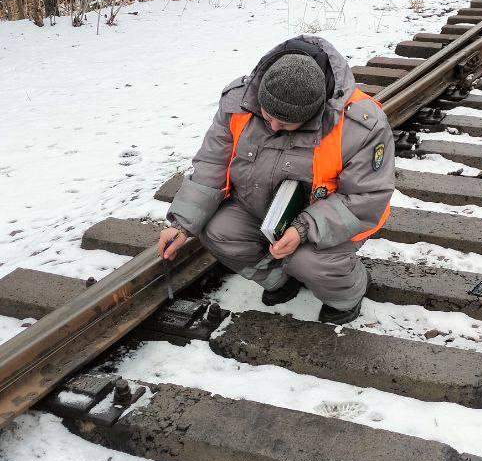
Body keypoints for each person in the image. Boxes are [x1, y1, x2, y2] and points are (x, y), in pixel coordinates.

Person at [157, 36, 394, 324]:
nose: (272, 127)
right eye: (267, 117)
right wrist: (181, 224)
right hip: (260, 208)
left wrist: (302, 229)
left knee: (308, 261)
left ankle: (347, 294)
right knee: (217, 230)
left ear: (312, 113)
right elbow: (213, 162)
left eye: (284, 124)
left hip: (327, 222)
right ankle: (280, 279)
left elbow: (366, 199)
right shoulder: (240, 101)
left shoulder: (361, 126)